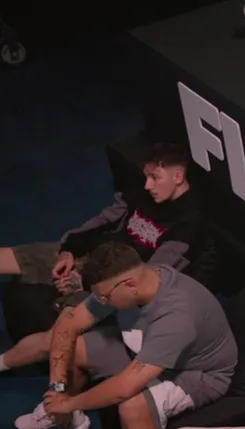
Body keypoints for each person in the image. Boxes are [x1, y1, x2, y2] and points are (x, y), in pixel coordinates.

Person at [17, 242, 237, 429]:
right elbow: (69, 324)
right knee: (77, 348)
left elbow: (125, 388)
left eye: (104, 297)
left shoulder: (177, 316)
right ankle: (66, 418)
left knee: (133, 405)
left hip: (196, 373)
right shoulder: (135, 281)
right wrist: (57, 389)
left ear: (130, 285)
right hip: (147, 349)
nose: (101, 303)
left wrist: (69, 402)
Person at [0, 142, 213, 357]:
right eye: (146, 176)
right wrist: (69, 250)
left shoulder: (189, 225)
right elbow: (103, 220)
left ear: (178, 177)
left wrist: (86, 282)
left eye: (155, 178)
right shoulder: (144, 192)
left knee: (58, 336)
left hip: (112, 288)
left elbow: (145, 279)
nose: (148, 185)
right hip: (94, 257)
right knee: (11, 257)